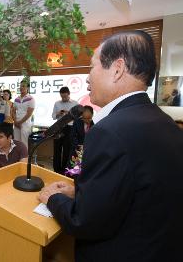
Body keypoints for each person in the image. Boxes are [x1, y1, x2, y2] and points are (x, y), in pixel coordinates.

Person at [38, 30, 183, 261]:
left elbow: (83, 221)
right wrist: (80, 192)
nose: (87, 78)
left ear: (117, 69)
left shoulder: (109, 131)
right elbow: (141, 190)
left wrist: (52, 198)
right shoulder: (166, 123)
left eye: (92, 67)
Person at [51, 86, 78, 173]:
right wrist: (58, 113)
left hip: (70, 128)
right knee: (57, 149)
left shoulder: (75, 103)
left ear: (69, 94)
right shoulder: (57, 103)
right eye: (62, 96)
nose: (63, 98)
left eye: (65, 97)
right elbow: (53, 117)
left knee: (67, 149)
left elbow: (78, 118)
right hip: (58, 128)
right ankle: (56, 170)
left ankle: (64, 170)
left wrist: (69, 114)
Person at [13, 78, 35, 147]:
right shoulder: (16, 99)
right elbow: (13, 111)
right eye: (20, 86)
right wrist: (15, 121)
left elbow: (29, 113)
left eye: (23, 86)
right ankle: (17, 158)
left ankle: (24, 158)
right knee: (16, 143)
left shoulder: (31, 99)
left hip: (25, 125)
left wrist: (20, 122)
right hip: (16, 124)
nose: (21, 87)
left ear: (27, 87)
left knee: (24, 144)